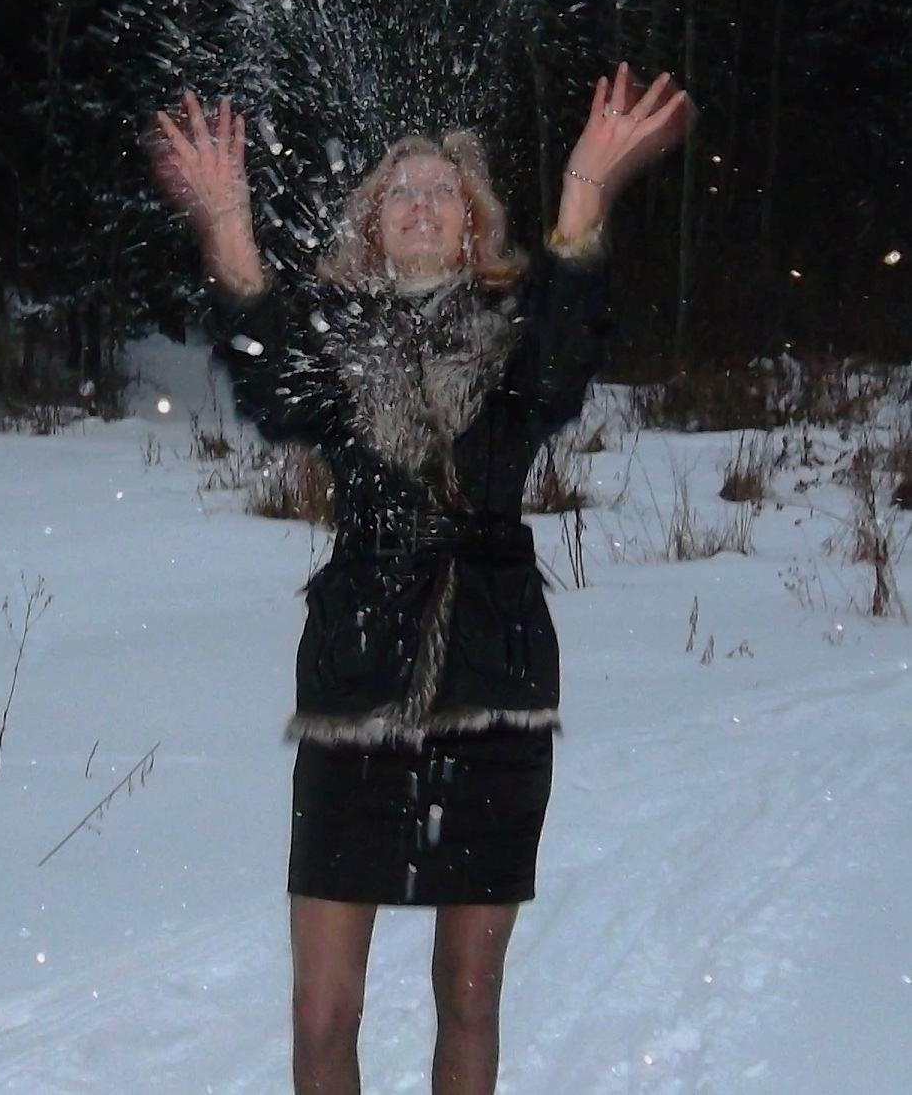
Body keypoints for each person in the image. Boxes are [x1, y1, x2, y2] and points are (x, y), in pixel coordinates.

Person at [151, 63, 691, 1095]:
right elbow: (268, 379)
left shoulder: (516, 339)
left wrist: (585, 188)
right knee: (321, 1012)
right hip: (355, 685)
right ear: (371, 225)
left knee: (470, 995)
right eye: (399, 190)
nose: (421, 201)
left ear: (474, 223)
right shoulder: (333, 343)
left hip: (494, 687)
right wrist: (226, 225)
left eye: (445, 188)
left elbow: (566, 351)